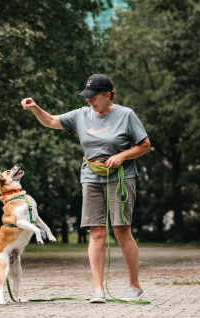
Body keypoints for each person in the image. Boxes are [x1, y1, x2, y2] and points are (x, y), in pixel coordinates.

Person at [21, 74, 151, 303]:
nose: (89, 101)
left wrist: (121, 156)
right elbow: (50, 121)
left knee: (122, 230)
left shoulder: (126, 114)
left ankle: (134, 286)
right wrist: (35, 108)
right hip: (91, 176)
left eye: (94, 97)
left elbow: (145, 145)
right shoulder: (81, 115)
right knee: (96, 231)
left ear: (107, 95)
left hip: (121, 177)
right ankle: (98, 289)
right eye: (87, 97)